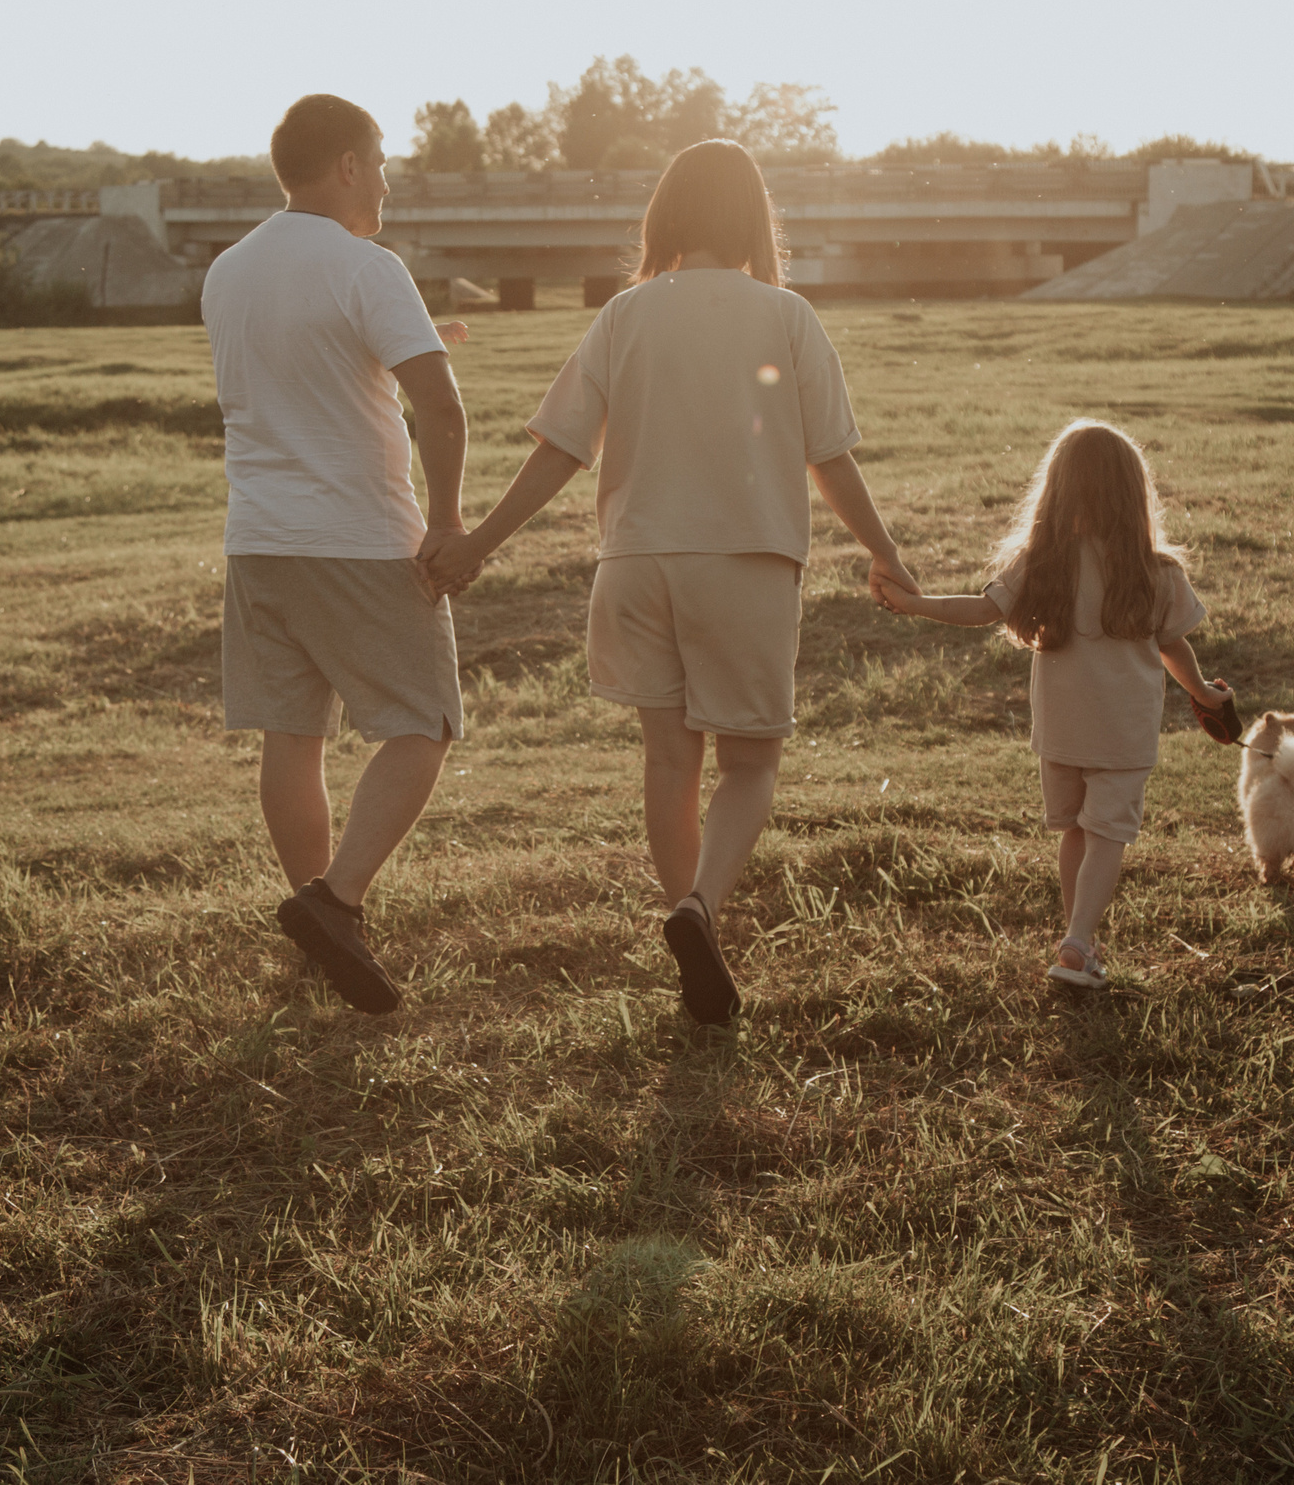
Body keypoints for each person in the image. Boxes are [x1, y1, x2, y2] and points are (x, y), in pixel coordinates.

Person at [419, 139, 918, 1025]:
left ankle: (691, 926)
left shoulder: (627, 312)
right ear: (754, 218)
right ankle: (699, 910)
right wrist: (885, 551)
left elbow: (561, 450)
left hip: (637, 564)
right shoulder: (787, 315)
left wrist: (479, 543)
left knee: (668, 757)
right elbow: (828, 458)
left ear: (668, 216)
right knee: (752, 762)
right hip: (745, 561)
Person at [202, 93, 470, 1015]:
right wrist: (446, 519)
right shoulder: (368, 266)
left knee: (294, 733)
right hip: (355, 538)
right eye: (383, 160)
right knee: (423, 720)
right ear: (349, 165)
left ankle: (324, 925)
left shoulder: (228, 271)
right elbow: (440, 406)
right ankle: (337, 900)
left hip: (259, 539)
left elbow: (298, 373)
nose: (390, 181)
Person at [873, 419, 1232, 989]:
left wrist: (915, 605)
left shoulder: (1043, 563)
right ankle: (1078, 940)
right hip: (1123, 732)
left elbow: (980, 610)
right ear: (1133, 493)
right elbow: (1173, 646)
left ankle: (1077, 937)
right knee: (1108, 833)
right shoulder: (1157, 572)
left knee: (1073, 831)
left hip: (1061, 731)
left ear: (1057, 489)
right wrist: (1207, 695)